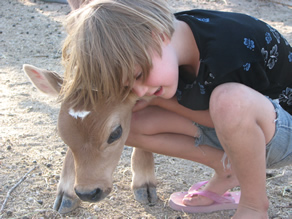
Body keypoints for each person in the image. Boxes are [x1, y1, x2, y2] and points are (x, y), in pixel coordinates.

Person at [60, 0, 292, 218]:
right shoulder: (165, 46)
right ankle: (227, 168)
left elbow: (227, 116)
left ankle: (253, 205)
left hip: (279, 134)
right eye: (130, 86)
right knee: (129, 123)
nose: (140, 91)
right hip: (238, 133)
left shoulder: (230, 50)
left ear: (157, 36)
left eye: (139, 76)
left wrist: (159, 101)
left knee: (229, 101)